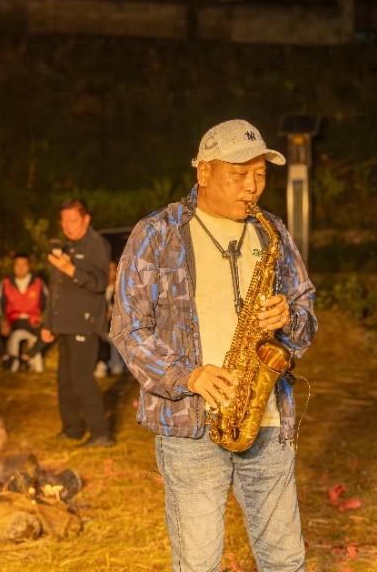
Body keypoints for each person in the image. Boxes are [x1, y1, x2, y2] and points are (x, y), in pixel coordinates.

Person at [111, 119, 316, 572]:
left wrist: (290, 318)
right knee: (199, 563)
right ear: (203, 172)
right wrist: (190, 375)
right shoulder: (156, 234)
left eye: (260, 175)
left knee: (286, 559)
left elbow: (306, 309)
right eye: (238, 175)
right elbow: (128, 328)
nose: (252, 188)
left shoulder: (272, 231)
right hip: (192, 426)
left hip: (265, 419)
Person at [42, 199, 113, 446]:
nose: (68, 226)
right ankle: (72, 428)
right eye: (64, 221)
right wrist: (48, 323)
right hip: (64, 324)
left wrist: (72, 270)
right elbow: (55, 288)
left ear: (86, 219)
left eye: (73, 220)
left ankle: (101, 433)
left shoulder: (96, 244)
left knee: (83, 380)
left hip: (85, 324)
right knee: (64, 381)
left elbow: (100, 282)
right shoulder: (66, 246)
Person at [0, 253, 49, 372]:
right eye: (17, 265)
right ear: (13, 267)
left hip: (32, 321)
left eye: (24, 265)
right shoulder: (6, 283)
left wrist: (42, 318)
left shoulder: (38, 283)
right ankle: (7, 358)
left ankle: (27, 357)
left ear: (29, 266)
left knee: (51, 331)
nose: (21, 268)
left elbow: (48, 303)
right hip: (12, 321)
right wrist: (3, 322)